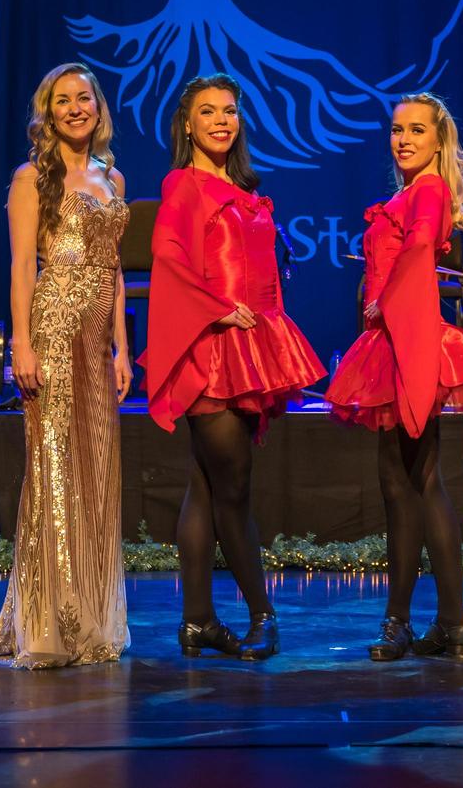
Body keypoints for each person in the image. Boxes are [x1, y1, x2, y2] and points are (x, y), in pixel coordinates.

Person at [142, 74, 325, 661]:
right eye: (207, 112)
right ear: (187, 124)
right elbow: (168, 261)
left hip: (251, 347)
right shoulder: (184, 187)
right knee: (234, 490)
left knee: (207, 485)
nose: (221, 120)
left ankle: (198, 620)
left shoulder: (243, 191)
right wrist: (219, 310)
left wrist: (271, 330)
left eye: (229, 110)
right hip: (212, 348)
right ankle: (262, 614)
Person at [325, 94, 463, 661]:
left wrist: (385, 298)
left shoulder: (429, 190)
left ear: (437, 140)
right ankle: (447, 622)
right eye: (397, 130)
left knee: (410, 481)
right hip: (395, 340)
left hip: (410, 336)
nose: (403, 140)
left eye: (416, 131)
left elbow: (424, 243)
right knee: (416, 480)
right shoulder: (411, 192)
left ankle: (403, 621)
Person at [0, 64, 132, 668]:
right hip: (53, 328)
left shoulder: (113, 176)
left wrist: (124, 346)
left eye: (84, 98)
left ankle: (91, 615)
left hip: (98, 340)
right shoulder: (32, 178)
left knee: (96, 472)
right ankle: (48, 621)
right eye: (62, 100)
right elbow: (22, 266)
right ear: (46, 112)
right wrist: (21, 343)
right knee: (53, 471)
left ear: (98, 106)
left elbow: (116, 268)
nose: (76, 108)